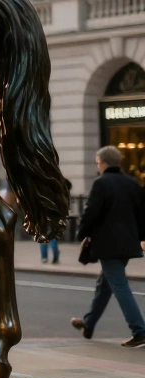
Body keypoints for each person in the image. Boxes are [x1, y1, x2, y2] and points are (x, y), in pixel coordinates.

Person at [72, 145, 145, 347]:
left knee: (119, 285)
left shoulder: (101, 183)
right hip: (128, 243)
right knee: (104, 285)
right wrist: (140, 237)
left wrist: (81, 233)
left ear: (102, 163)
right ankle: (88, 324)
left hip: (107, 244)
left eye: (98, 163)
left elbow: (91, 212)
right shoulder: (132, 182)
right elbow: (141, 214)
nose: (98, 166)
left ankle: (139, 331)